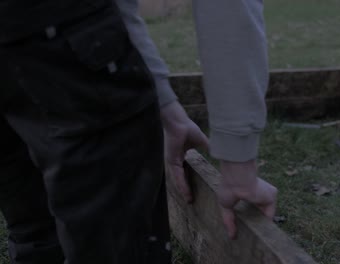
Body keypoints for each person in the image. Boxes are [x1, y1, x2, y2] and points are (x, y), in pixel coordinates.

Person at [0, 0, 277, 263]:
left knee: (38, 232)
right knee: (116, 247)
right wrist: (238, 161)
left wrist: (167, 108)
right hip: (58, 34)